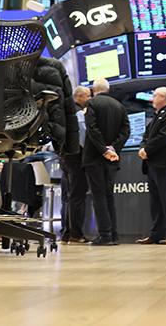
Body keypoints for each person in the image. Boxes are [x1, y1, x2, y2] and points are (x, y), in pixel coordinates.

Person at [82, 78, 130, 246]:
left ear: (94, 90)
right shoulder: (120, 106)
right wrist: (113, 148)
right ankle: (114, 234)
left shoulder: (92, 104)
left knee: (99, 196)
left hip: (95, 158)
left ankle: (104, 235)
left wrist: (103, 149)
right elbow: (126, 131)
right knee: (109, 196)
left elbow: (91, 129)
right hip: (112, 159)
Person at [136, 87, 166, 245]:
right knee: (155, 203)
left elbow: (164, 136)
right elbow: (146, 136)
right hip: (152, 165)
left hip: (165, 165)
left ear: (163, 97)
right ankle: (156, 234)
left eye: (155, 95)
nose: (152, 98)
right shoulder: (156, 117)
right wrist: (143, 148)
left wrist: (147, 149)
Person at [61, 86, 92, 244]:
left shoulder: (65, 111)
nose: (89, 99)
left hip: (65, 158)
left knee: (68, 197)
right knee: (77, 196)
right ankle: (76, 234)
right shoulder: (79, 113)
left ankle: (66, 233)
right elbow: (83, 137)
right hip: (77, 159)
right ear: (80, 96)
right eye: (88, 96)